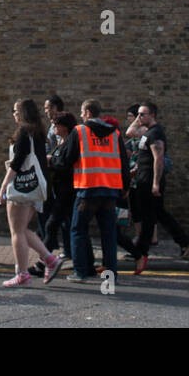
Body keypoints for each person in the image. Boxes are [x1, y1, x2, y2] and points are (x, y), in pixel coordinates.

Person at [59, 99, 126, 282]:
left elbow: (66, 160)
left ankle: (80, 272)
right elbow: (124, 163)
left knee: (78, 230)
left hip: (87, 190)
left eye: (82, 112)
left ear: (88, 112)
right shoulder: (115, 134)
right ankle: (111, 274)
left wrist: (54, 161)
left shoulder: (79, 131)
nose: (80, 116)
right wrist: (124, 188)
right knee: (109, 233)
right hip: (110, 191)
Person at [0, 99, 62, 286]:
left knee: (16, 231)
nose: (13, 113)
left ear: (23, 112)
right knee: (23, 229)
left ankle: (23, 274)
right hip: (35, 188)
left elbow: (17, 163)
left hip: (21, 188)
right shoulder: (39, 133)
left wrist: (3, 188)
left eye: (16, 110)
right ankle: (50, 259)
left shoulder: (24, 133)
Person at [127, 101, 189, 271]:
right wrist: (139, 119)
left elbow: (158, 158)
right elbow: (130, 132)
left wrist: (156, 183)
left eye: (143, 114)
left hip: (150, 181)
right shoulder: (146, 132)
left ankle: (141, 252)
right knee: (158, 214)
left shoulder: (156, 133)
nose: (139, 117)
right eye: (139, 114)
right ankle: (184, 241)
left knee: (149, 217)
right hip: (143, 178)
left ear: (153, 115)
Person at [43, 112, 78, 256]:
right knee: (70, 225)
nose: (53, 127)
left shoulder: (70, 143)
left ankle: (44, 259)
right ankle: (72, 253)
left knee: (51, 225)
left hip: (67, 191)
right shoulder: (61, 143)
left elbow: (66, 164)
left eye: (55, 124)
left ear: (64, 127)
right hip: (59, 190)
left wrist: (51, 161)